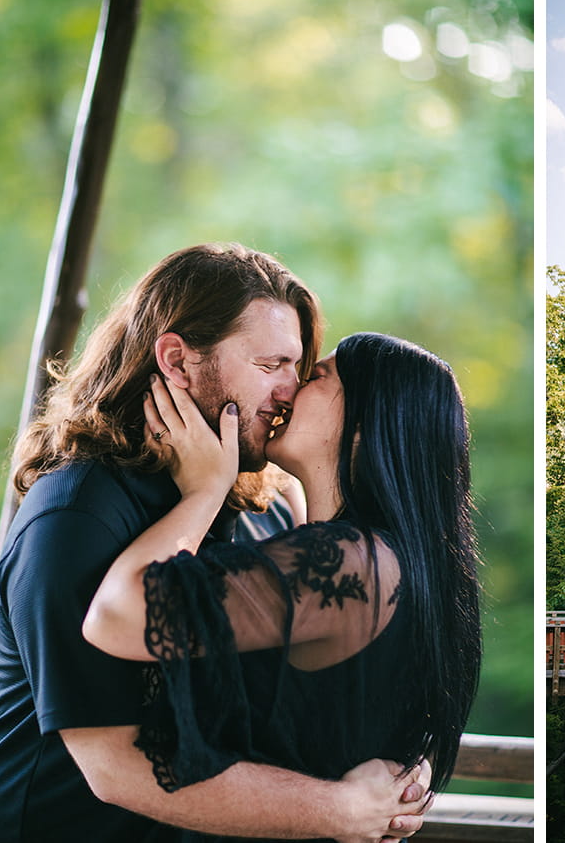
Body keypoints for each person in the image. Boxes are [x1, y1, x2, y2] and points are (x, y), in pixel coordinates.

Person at [0, 244, 431, 842]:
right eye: (271, 365)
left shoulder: (262, 509)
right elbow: (112, 767)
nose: (291, 389)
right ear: (178, 362)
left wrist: (398, 770)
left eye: (300, 367)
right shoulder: (78, 515)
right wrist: (340, 809)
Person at [81, 331, 482, 821]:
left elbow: (115, 617)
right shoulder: (400, 560)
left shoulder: (347, 561)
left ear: (363, 425)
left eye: (316, 377)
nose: (289, 390)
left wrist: (204, 493)